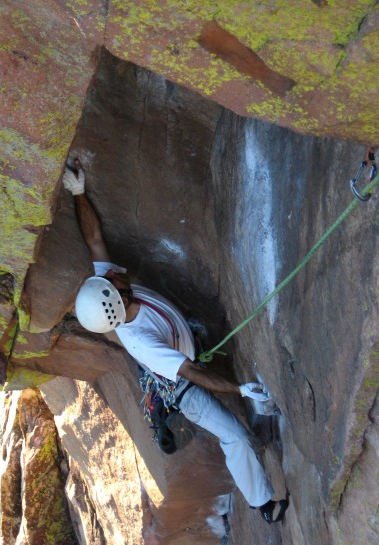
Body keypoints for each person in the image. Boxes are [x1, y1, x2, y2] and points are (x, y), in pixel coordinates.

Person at [63, 159, 288, 524]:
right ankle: (264, 505)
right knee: (235, 437)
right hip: (181, 385)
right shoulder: (140, 340)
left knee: (234, 411)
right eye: (114, 282)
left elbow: (94, 238)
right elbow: (190, 372)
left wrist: (78, 193)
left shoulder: (113, 294)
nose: (115, 274)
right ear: (116, 303)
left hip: (184, 351)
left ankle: (260, 412)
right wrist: (238, 390)